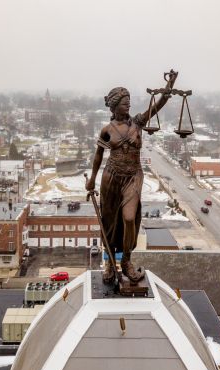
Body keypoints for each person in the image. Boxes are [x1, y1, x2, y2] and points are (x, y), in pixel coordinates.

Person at [86, 71, 178, 283]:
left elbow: (157, 107)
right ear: (114, 105)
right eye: (124, 103)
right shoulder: (107, 130)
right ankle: (110, 262)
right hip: (111, 177)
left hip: (133, 176)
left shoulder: (137, 122)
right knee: (109, 222)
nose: (128, 106)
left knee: (129, 219)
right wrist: (92, 179)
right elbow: (98, 155)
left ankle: (126, 260)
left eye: (129, 102)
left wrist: (169, 88)